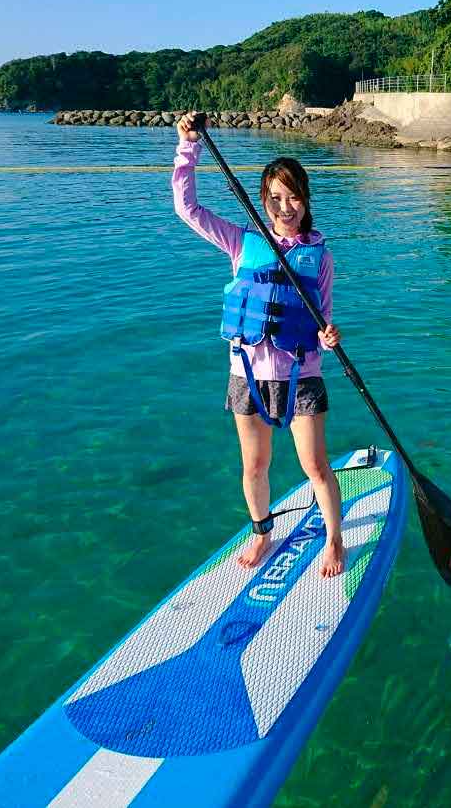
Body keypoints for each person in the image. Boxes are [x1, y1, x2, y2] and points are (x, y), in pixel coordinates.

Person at [173, 112, 346, 577]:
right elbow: (188, 209)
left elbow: (323, 322)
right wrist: (187, 147)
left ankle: (334, 537)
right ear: (263, 202)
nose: (285, 208)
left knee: (315, 464)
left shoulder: (320, 256)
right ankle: (261, 531)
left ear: (306, 199)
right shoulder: (240, 241)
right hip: (247, 374)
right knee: (254, 467)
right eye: (275, 199)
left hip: (300, 374)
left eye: (293, 198)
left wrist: (329, 338)